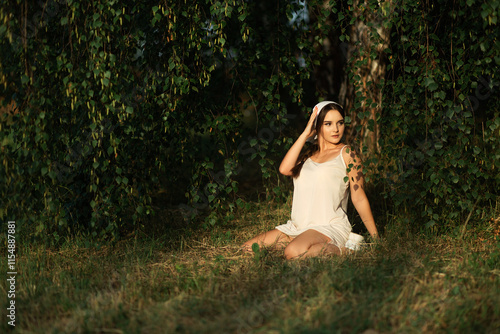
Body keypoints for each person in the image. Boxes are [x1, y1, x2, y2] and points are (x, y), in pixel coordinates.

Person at [242, 101, 378, 259]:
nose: (336, 129)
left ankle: (349, 249)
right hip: (297, 227)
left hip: (328, 226)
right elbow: (284, 169)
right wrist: (305, 134)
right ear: (317, 126)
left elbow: (359, 197)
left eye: (340, 123)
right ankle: (304, 245)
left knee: (292, 253)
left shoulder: (347, 154)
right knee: (248, 249)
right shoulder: (308, 155)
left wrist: (375, 238)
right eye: (328, 124)